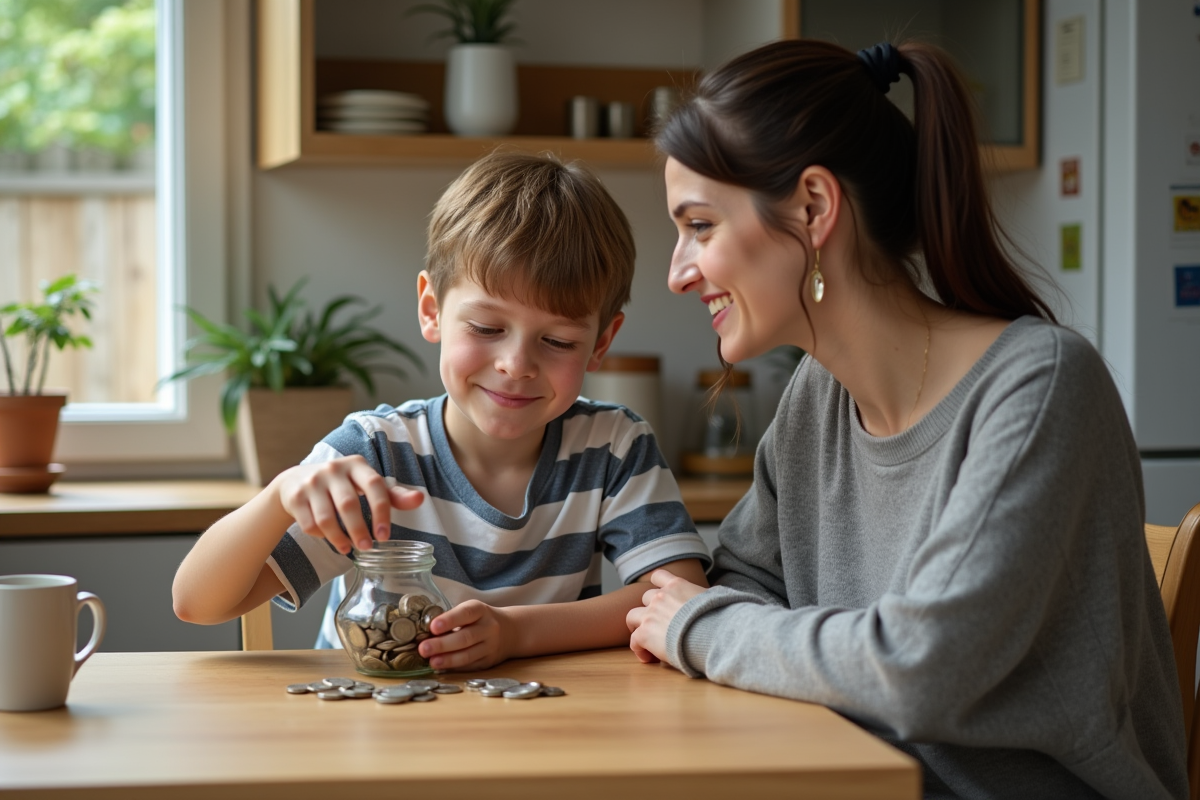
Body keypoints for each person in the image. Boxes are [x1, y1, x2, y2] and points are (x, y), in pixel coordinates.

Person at [625, 39, 1188, 799]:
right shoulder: (816, 400)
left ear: (814, 208)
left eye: (699, 226)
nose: (678, 270)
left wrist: (702, 629)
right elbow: (745, 580)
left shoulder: (1038, 387)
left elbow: (920, 668)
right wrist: (729, 623)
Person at [173, 151, 710, 672]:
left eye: (558, 340)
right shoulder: (374, 453)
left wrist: (517, 633)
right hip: (375, 735)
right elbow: (198, 604)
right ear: (432, 310)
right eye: (486, 329)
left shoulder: (613, 446)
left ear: (601, 342)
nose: (516, 365)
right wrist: (278, 496)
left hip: (545, 732)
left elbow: (679, 597)